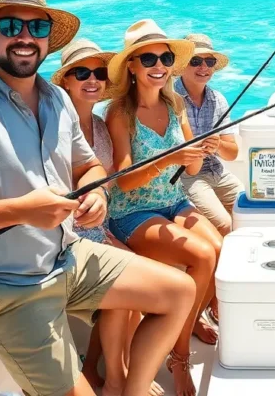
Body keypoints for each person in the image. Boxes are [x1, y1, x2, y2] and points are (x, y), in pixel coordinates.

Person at [0, 0, 194, 396]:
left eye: (36, 28)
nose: (25, 37)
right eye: (11, 26)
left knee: (178, 292)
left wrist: (96, 192)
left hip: (66, 258)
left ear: (48, 39)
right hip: (2, 286)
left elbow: (88, 165)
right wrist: (22, 210)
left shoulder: (56, 99)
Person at [105, 19, 223, 396]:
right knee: (202, 256)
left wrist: (201, 150)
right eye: (149, 58)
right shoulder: (119, 112)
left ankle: (185, 323)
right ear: (132, 67)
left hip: (173, 201)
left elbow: (190, 167)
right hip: (132, 212)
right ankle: (180, 355)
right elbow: (123, 179)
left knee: (220, 247)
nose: (159, 64)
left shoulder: (175, 106)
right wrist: (170, 158)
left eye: (165, 57)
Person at [53, 38, 161, 396]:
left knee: (134, 266)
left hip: (97, 229)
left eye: (99, 73)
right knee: (127, 279)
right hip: (62, 239)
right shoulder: (50, 128)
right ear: (65, 80)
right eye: (81, 72)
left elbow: (109, 186)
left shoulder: (99, 127)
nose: (93, 79)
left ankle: (121, 369)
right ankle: (118, 379)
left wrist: (107, 228)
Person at [173, 33, 244, 236]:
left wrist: (218, 144)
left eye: (209, 61)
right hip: (185, 176)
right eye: (195, 61)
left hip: (217, 171)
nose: (203, 67)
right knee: (223, 223)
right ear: (182, 65)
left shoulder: (218, 100)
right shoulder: (170, 98)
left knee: (250, 209)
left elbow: (232, 154)